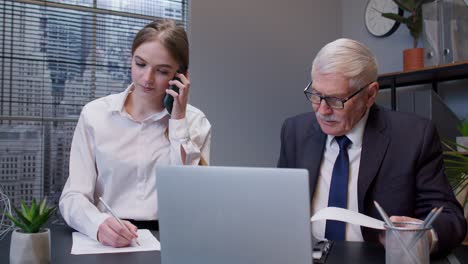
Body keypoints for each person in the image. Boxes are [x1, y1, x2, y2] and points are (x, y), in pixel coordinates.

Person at [277, 38, 466, 255]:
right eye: (316, 95)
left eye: (336, 100)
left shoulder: (413, 136)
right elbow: (282, 204)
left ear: (370, 94)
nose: (322, 110)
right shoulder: (295, 131)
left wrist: (422, 237)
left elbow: (450, 217)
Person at [59, 19, 211, 248]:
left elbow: (189, 198)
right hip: (108, 239)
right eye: (140, 64)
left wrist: (178, 121)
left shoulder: (195, 122)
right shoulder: (95, 114)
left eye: (161, 71)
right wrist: (98, 225)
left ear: (181, 76)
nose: (147, 78)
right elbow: (72, 197)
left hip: (171, 239)